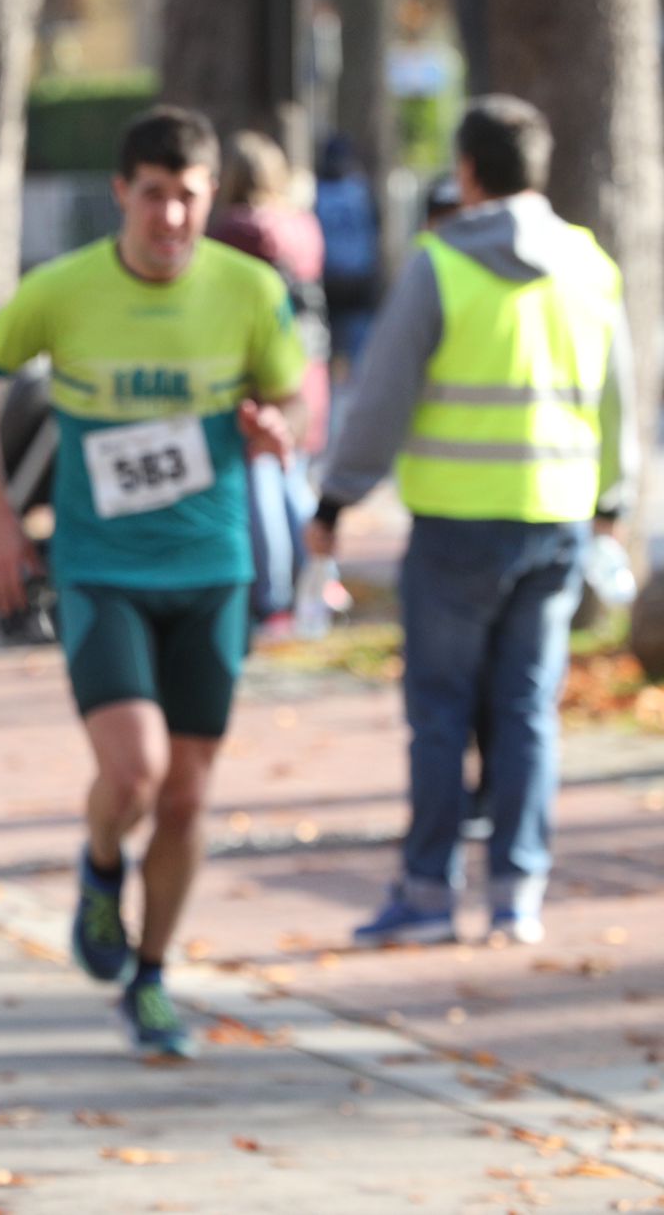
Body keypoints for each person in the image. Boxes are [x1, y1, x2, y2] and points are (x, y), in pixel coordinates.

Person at [0, 106, 307, 1060]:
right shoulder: (64, 291)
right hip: (102, 570)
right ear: (123, 194)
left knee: (187, 798)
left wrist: (276, 431)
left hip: (213, 572)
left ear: (210, 197)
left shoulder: (250, 289)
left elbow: (289, 403)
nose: (173, 218)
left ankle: (151, 978)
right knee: (135, 771)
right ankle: (102, 864)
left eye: (190, 197)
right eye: (154, 196)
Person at [307, 96, 635, 948]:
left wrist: (336, 498)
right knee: (528, 712)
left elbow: (380, 400)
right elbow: (617, 394)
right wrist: (612, 499)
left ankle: (426, 893)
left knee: (442, 714)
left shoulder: (441, 263)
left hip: (456, 525)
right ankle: (518, 893)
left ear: (467, 171)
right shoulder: (590, 263)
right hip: (556, 519)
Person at [207, 131, 330, 632]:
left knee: (262, 483)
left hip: (259, 372)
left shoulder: (239, 230)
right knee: (294, 476)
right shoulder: (303, 225)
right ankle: (323, 578)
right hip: (309, 366)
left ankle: (275, 598)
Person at [313, 133, 383, 372]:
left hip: (329, 279)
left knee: (325, 354)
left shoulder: (316, 192)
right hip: (356, 278)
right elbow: (375, 231)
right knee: (358, 356)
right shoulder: (360, 190)